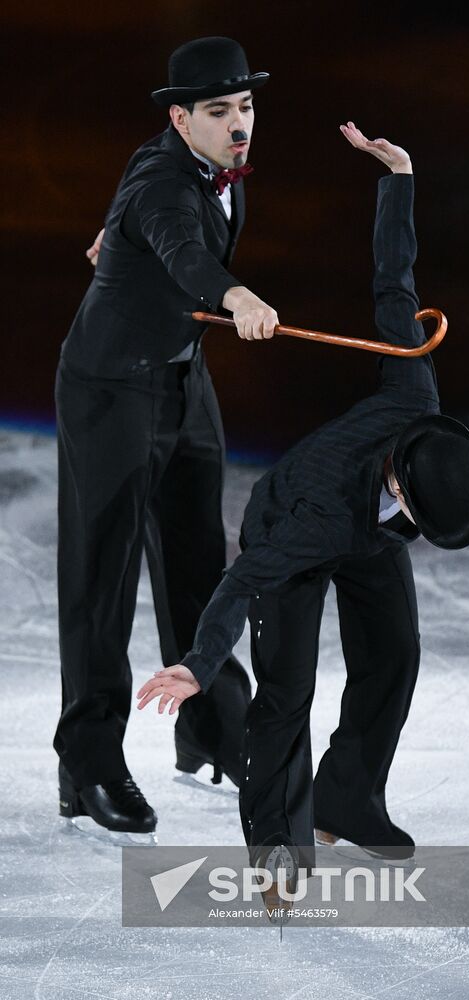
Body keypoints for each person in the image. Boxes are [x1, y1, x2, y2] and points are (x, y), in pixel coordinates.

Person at [136, 122, 469, 873]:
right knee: (286, 690)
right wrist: (200, 665)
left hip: (368, 532)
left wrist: (397, 177)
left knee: (393, 652)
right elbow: (241, 580)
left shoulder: (415, 391)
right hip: (298, 523)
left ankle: (347, 799)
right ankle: (275, 846)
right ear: (402, 477)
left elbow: (394, 281)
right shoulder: (315, 515)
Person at [55, 37, 279, 837]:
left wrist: (113, 237)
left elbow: (155, 225)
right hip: (110, 387)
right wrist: (235, 291)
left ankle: (213, 730)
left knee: (197, 561)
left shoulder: (195, 168)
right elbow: (182, 243)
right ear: (182, 118)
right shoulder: (161, 174)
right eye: (219, 112)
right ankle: (88, 763)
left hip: (182, 378)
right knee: (101, 573)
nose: (238, 124)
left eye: (245, 107)